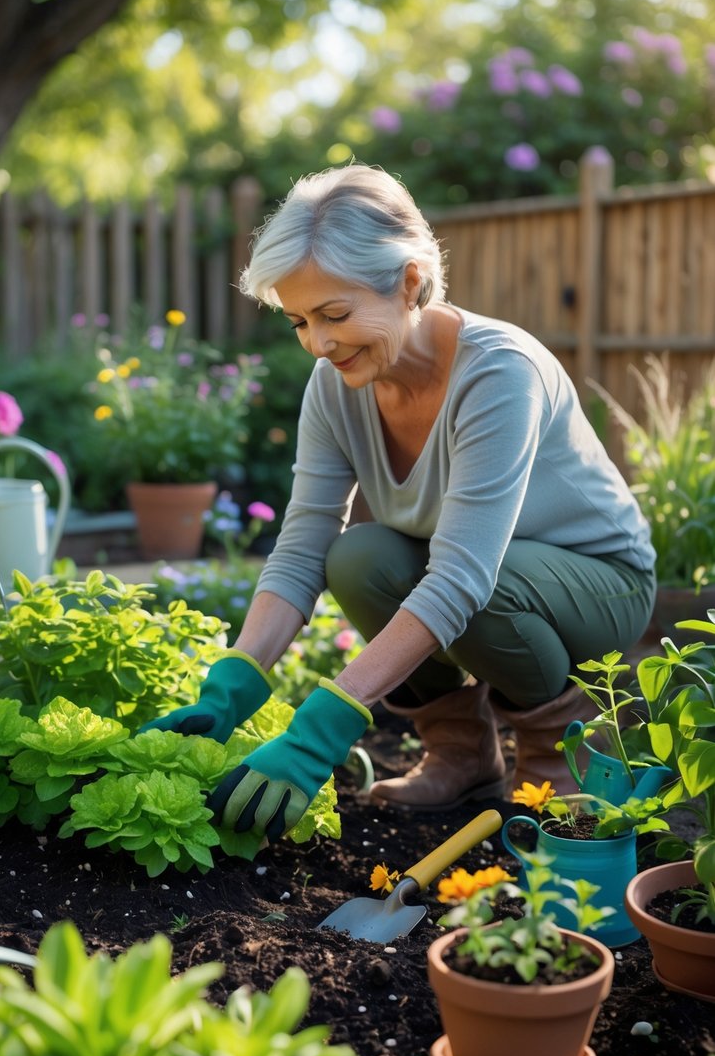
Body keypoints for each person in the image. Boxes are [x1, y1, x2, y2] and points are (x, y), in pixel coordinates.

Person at [141, 163, 656, 841]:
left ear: (408, 281)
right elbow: (302, 548)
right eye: (299, 321)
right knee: (357, 557)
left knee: (479, 583)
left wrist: (327, 720)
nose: (318, 344)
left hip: (596, 587)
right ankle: (461, 754)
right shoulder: (335, 386)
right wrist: (235, 678)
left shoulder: (499, 371)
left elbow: (463, 576)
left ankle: (555, 754)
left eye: (334, 314)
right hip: (483, 577)